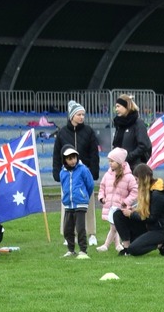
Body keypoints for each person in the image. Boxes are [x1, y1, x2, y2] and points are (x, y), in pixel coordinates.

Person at [116, 162, 164, 257]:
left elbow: (151, 217)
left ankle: (162, 244)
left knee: (134, 249)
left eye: (136, 179)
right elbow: (147, 212)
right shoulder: (150, 189)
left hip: (161, 230)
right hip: (150, 226)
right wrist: (135, 210)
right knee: (118, 214)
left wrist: (131, 214)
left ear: (142, 179)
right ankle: (126, 247)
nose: (136, 182)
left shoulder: (158, 194)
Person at [61, 103, 102, 247]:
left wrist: (93, 172)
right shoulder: (62, 132)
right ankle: (68, 235)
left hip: (84, 174)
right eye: (79, 114)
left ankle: (91, 234)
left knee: (88, 205)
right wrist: (57, 172)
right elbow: (57, 154)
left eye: (83, 114)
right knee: (67, 207)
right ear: (72, 116)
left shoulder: (89, 132)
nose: (81, 117)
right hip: (68, 175)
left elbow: (94, 153)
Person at [96, 147, 137, 255]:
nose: (110, 163)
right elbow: (102, 187)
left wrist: (126, 202)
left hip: (120, 207)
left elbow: (134, 191)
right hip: (110, 206)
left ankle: (106, 245)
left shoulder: (129, 177)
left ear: (119, 162)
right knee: (114, 226)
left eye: (112, 161)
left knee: (114, 227)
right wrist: (102, 197)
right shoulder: (108, 175)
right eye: (109, 161)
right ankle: (118, 244)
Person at [58, 146, 95, 258]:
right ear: (64, 160)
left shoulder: (83, 169)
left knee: (80, 228)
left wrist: (83, 196)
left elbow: (90, 185)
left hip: (80, 203)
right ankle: (71, 250)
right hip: (68, 205)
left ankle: (83, 250)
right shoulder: (62, 172)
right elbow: (63, 186)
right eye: (69, 158)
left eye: (74, 157)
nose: (73, 160)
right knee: (67, 229)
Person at [110, 94, 151, 167]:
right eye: (116, 107)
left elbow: (144, 145)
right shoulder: (119, 124)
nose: (116, 109)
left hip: (135, 166)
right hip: (120, 166)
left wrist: (127, 158)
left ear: (126, 107)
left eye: (118, 106)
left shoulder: (138, 123)